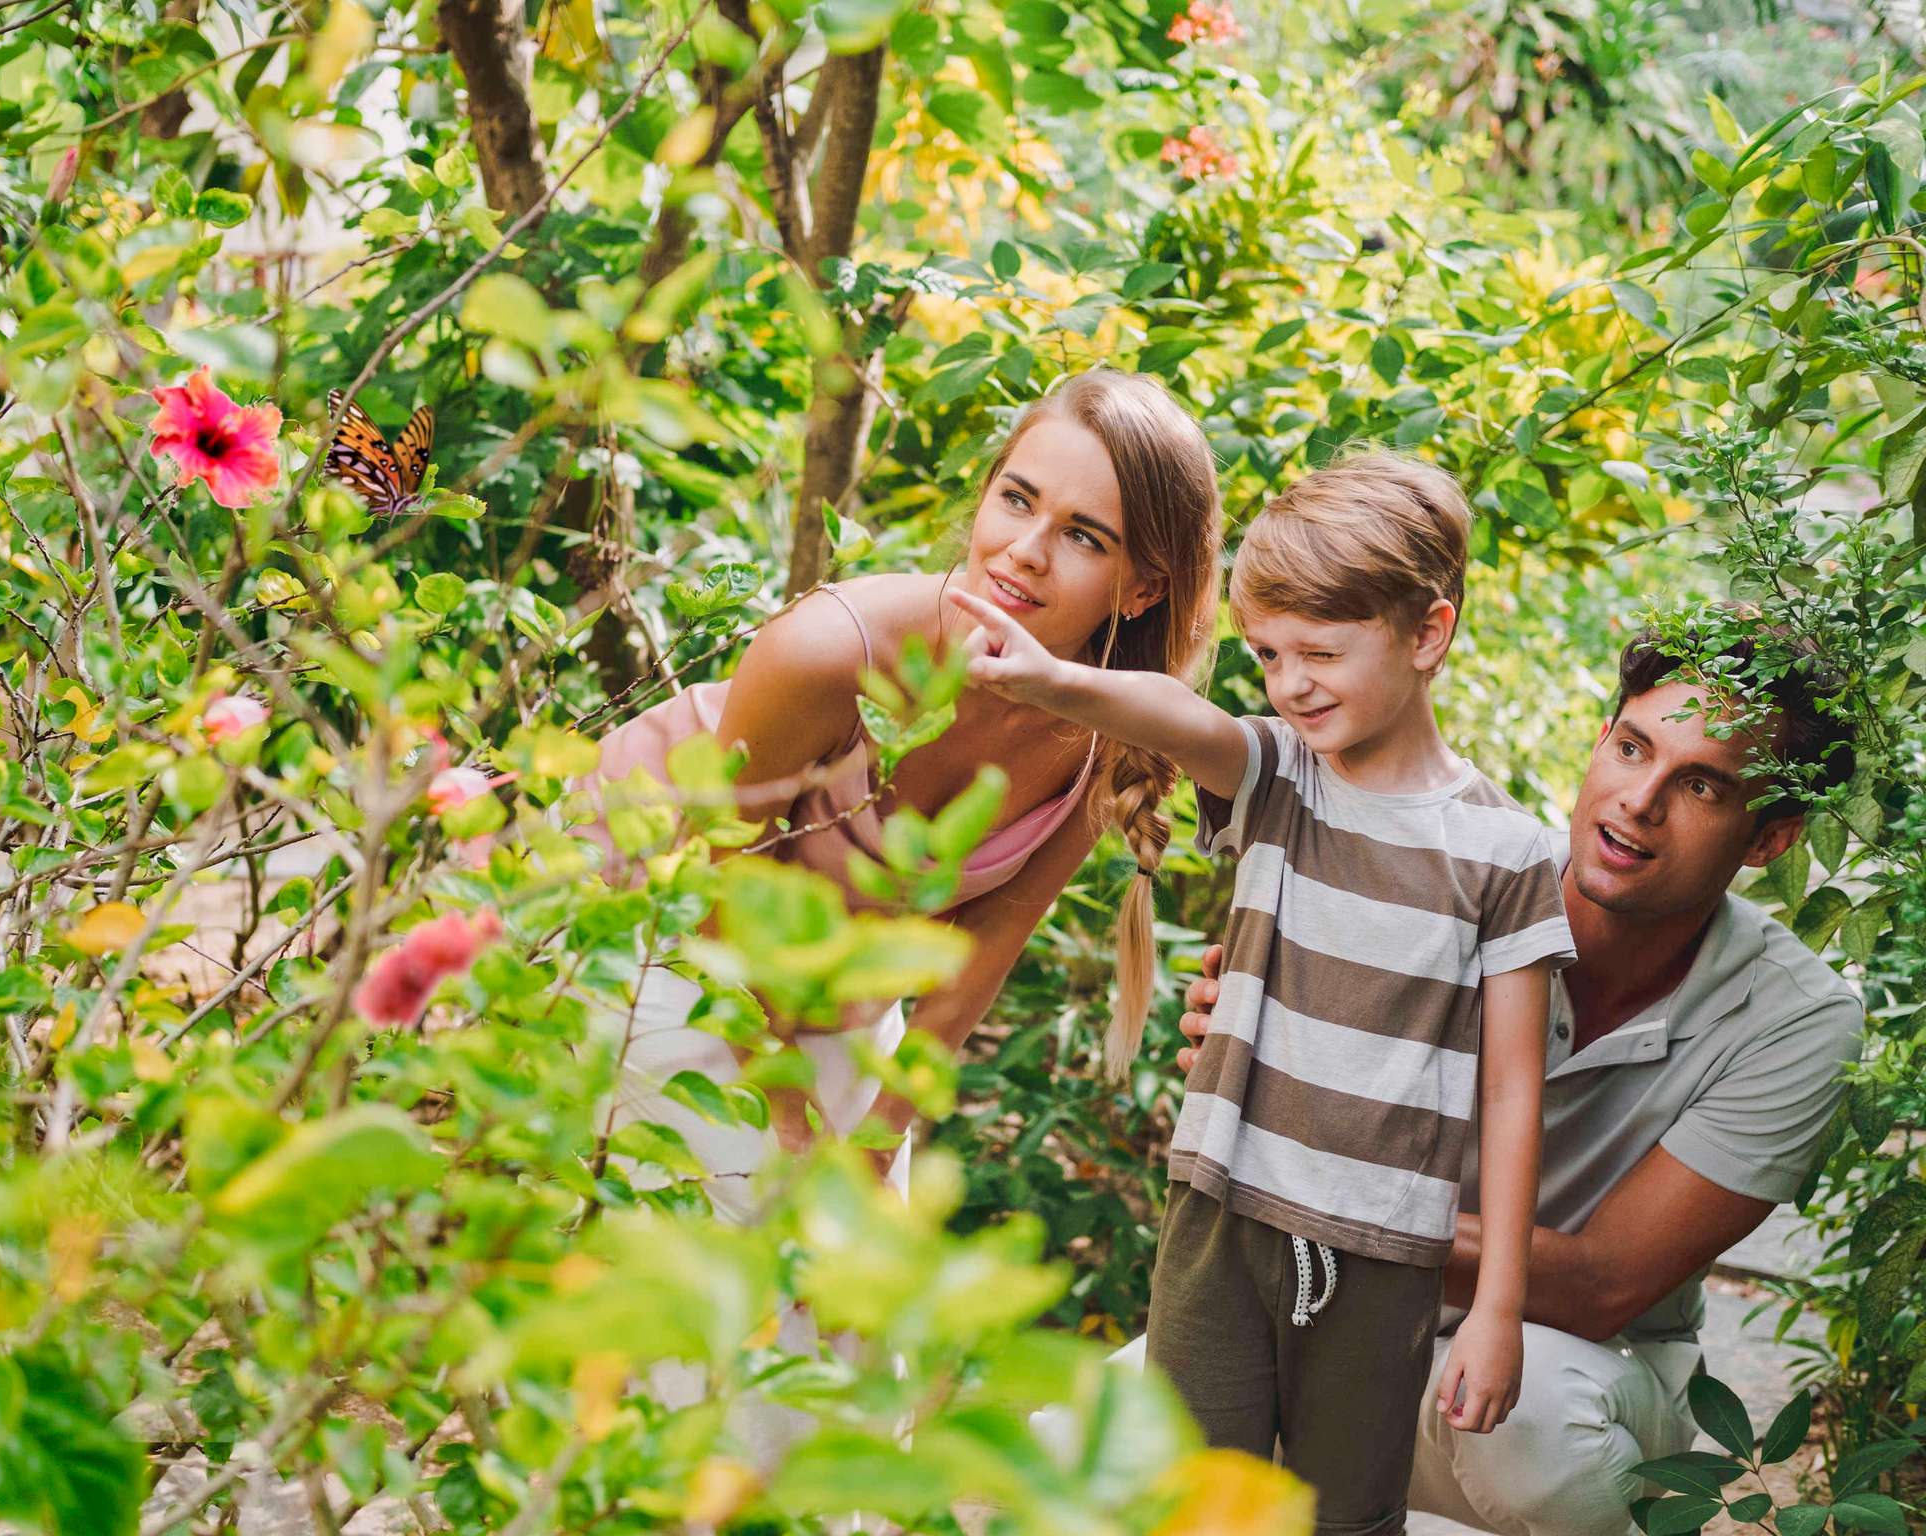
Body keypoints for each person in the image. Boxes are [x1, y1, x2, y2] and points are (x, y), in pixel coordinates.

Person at [954, 449, 1575, 1535]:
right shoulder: (1277, 776)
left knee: (1345, 1514)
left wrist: (1497, 1307)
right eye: (1267, 653)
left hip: (1382, 1259)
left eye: (1320, 654)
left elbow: (1512, 1092)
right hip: (1219, 1220)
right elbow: (1172, 713)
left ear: (1426, 634)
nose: (1289, 684)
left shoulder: (1505, 852)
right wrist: (1051, 680)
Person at [1170, 620, 1863, 1536]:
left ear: (1771, 839)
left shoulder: (1799, 1016)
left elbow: (1603, 1285)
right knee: (1098, 1440)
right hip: (1337, 1305)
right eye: (1630, 748)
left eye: (1700, 785)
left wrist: (1293, 1169)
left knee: (1536, 1433)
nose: (1637, 804)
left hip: (1576, 1368)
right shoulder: (1450, 871)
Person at [581, 367, 1222, 1219]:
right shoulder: (828, 652)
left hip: (837, 1004)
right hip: (659, 940)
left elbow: (982, 955)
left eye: (1085, 537)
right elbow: (710, 897)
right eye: (1018, 500)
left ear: (1142, 589)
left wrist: (875, 1150)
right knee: (754, 1244)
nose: (1026, 550)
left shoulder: (1104, 735)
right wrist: (792, 1124)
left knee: (855, 1302)